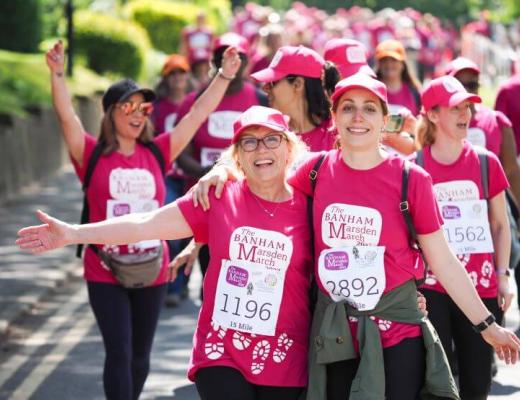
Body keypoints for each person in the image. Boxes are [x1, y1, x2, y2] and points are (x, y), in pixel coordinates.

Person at [192, 73, 520, 400]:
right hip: (336, 336)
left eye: (369, 108)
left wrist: (487, 326)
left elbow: (444, 260)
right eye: (348, 108)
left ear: (383, 120)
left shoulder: (411, 178)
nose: (358, 116)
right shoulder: (314, 171)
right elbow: (261, 169)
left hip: (397, 333)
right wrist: (222, 171)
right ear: (334, 118)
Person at [18, 105, 313, 400]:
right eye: (249, 142)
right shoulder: (217, 198)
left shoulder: (310, 205)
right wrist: (74, 233)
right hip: (223, 351)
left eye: (272, 139)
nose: (261, 149)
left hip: (285, 353)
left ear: (289, 149)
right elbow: (145, 224)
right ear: (237, 156)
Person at [42, 40, 241, 400]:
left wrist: (223, 77)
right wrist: (57, 74)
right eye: (127, 106)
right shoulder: (90, 154)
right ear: (110, 113)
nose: (138, 113)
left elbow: (196, 114)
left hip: (153, 267)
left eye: (143, 107)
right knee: (118, 352)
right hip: (104, 267)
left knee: (139, 357)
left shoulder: (157, 150)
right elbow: (66, 116)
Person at [415, 75, 515, 399]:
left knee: (476, 383)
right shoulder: (414, 168)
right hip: (432, 289)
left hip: (480, 286)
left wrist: (503, 275)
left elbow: (501, 226)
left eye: (468, 108)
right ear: (432, 114)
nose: (465, 115)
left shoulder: (487, 162)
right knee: (439, 382)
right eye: (455, 108)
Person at [324, 38, 417, 156]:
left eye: (362, 74)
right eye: (349, 75)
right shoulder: (313, 118)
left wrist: (416, 129)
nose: (357, 83)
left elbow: (410, 148)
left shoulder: (369, 122)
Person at [249, 45, 340, 152]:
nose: (265, 88)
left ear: (297, 84)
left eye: (273, 82)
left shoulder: (339, 134)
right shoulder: (270, 134)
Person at [374, 39, 422, 116]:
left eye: (393, 60)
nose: (389, 64)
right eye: (384, 60)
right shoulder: (371, 90)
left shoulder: (415, 92)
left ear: (402, 64)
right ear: (378, 64)